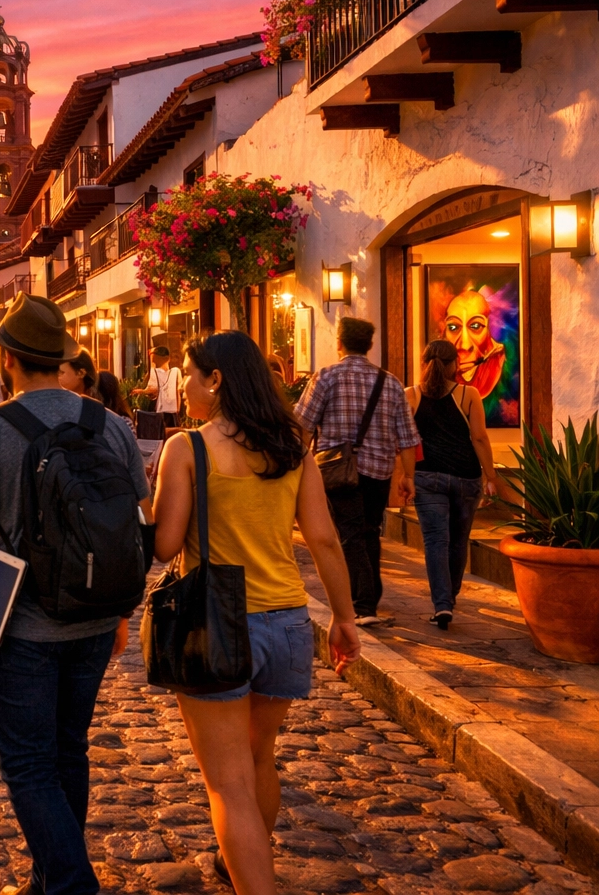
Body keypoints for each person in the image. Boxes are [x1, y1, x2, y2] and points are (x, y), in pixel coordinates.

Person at [0, 294, 152, 895]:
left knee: (28, 763)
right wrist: (123, 608)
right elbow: (134, 519)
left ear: (8, 359)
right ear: (62, 359)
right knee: (68, 750)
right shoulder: (113, 425)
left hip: (19, 628)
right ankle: (49, 875)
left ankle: (71, 882)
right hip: (95, 617)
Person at [151, 331, 360, 895]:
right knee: (259, 758)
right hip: (288, 620)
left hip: (219, 624)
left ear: (215, 380)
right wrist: (344, 618)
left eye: (191, 375)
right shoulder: (293, 445)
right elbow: (324, 538)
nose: (185, 386)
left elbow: (166, 545)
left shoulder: (186, 448)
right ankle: (241, 862)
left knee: (228, 785)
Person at [295, 317, 420, 625]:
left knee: (350, 533)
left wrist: (298, 466)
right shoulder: (389, 382)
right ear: (370, 346)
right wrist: (407, 476)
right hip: (378, 472)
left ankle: (363, 605)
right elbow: (407, 437)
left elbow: (302, 427)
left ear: (339, 342)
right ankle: (369, 597)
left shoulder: (325, 377)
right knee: (369, 530)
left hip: (337, 470)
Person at [406, 340, 506, 629]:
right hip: (466, 478)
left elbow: (404, 441)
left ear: (424, 364)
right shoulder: (469, 394)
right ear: (453, 365)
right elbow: (479, 437)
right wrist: (491, 476)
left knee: (436, 541)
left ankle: (442, 604)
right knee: (458, 541)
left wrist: (405, 476)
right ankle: (450, 597)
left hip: (427, 478)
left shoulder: (410, 396)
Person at [133, 346, 183, 426]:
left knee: (162, 435)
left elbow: (152, 389)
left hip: (161, 412)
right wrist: (178, 410)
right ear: (168, 359)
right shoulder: (176, 371)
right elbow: (178, 391)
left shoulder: (154, 372)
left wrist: (141, 391)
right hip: (174, 413)